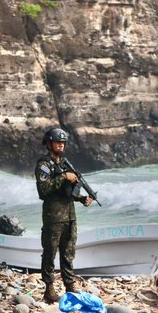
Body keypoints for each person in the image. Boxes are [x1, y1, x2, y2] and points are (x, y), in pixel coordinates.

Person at [35, 127, 92, 303]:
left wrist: (82, 198)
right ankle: (49, 288)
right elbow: (43, 191)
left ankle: (69, 284)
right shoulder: (44, 165)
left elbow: (66, 192)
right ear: (49, 143)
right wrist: (63, 177)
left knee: (68, 253)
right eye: (57, 142)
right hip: (54, 218)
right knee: (50, 252)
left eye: (62, 142)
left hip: (69, 216)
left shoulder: (65, 164)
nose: (60, 145)